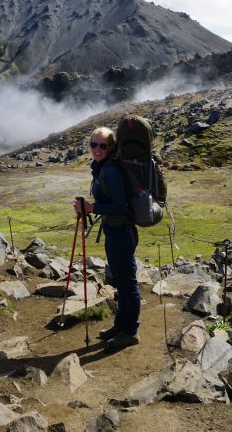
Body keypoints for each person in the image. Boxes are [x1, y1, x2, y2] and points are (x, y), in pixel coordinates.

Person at [73, 126, 141, 350]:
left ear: (111, 147)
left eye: (103, 145)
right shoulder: (102, 167)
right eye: (94, 144)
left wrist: (91, 208)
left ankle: (130, 331)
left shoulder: (110, 171)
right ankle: (120, 325)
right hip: (115, 230)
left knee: (127, 283)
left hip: (122, 232)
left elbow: (121, 206)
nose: (97, 149)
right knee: (121, 281)